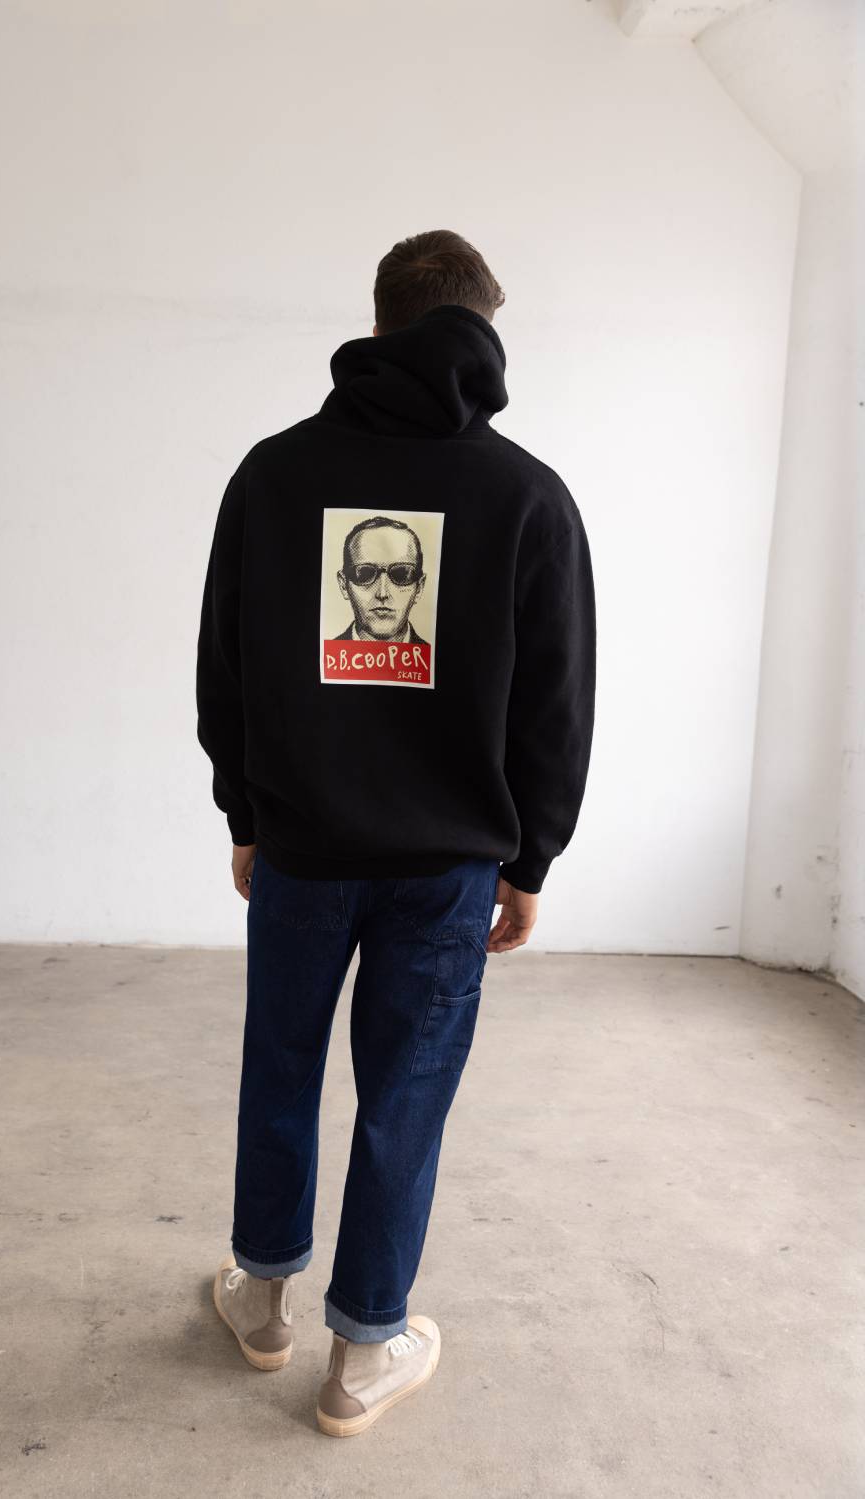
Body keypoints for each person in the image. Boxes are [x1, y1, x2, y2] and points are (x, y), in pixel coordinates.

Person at [195, 229, 596, 1437]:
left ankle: (263, 1300)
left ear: (377, 323)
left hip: (303, 850)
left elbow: (224, 664)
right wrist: (530, 858)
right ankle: (364, 1351)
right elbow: (556, 699)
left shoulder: (274, 474)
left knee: (280, 1065)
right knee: (403, 1097)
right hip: (445, 866)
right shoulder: (527, 495)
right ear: (485, 326)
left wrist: (247, 813)